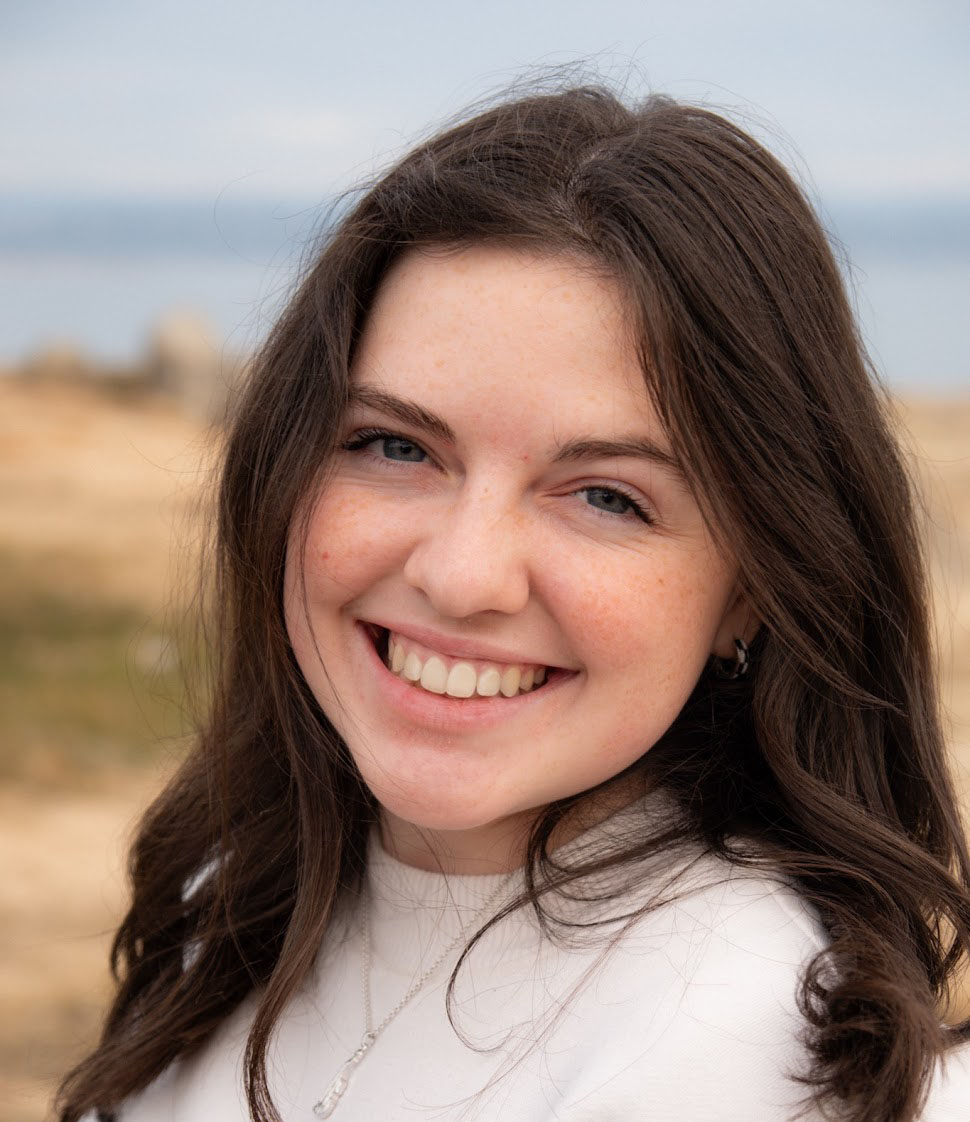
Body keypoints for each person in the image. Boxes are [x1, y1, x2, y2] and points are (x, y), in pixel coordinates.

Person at [59, 83, 970, 1122]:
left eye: (605, 497)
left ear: (754, 590)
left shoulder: (744, 1052)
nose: (461, 575)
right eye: (394, 446)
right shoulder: (233, 898)